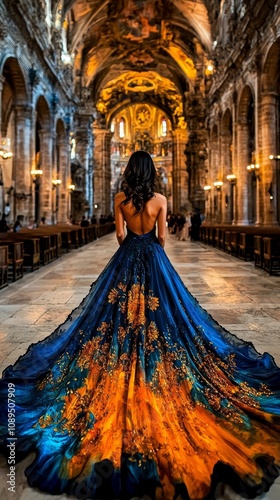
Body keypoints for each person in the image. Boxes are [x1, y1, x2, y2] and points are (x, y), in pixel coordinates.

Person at [0, 150, 279, 500]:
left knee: (108, 319)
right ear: (153, 174)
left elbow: (119, 236)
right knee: (172, 317)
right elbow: (163, 238)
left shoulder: (120, 198)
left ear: (130, 172)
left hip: (127, 257)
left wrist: (132, 240)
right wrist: (152, 245)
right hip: (154, 261)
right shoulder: (161, 199)